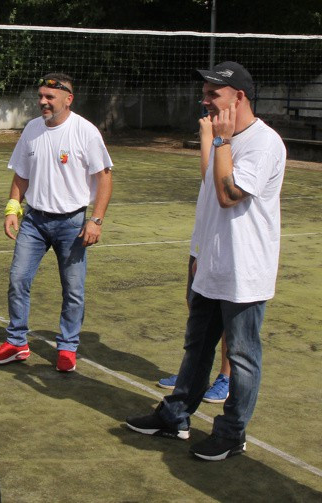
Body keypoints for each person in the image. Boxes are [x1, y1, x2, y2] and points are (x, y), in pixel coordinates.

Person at [126, 61, 286, 461]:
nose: (205, 101)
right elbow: (209, 196)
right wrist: (199, 254)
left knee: (242, 358)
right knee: (196, 348)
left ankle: (232, 434)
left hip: (244, 272)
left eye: (214, 93)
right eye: (205, 93)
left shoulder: (264, 143)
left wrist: (222, 141)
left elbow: (229, 195)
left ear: (239, 97)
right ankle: (175, 416)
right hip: (212, 265)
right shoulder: (222, 140)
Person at [0, 72, 113, 372]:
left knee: (73, 290)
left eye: (49, 97)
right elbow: (21, 174)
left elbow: (104, 178)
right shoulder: (32, 129)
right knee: (18, 279)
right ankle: (17, 342)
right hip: (34, 221)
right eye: (41, 96)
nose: (43, 102)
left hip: (72, 224)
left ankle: (67, 347)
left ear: (68, 99)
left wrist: (96, 220)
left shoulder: (85, 131)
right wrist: (12, 208)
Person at [157, 116, 231, 405]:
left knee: (226, 315)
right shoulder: (219, 135)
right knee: (195, 304)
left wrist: (207, 135)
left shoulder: (232, 138)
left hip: (223, 243)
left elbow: (211, 179)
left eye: (213, 96)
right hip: (203, 238)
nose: (207, 104)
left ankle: (225, 377)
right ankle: (194, 373)